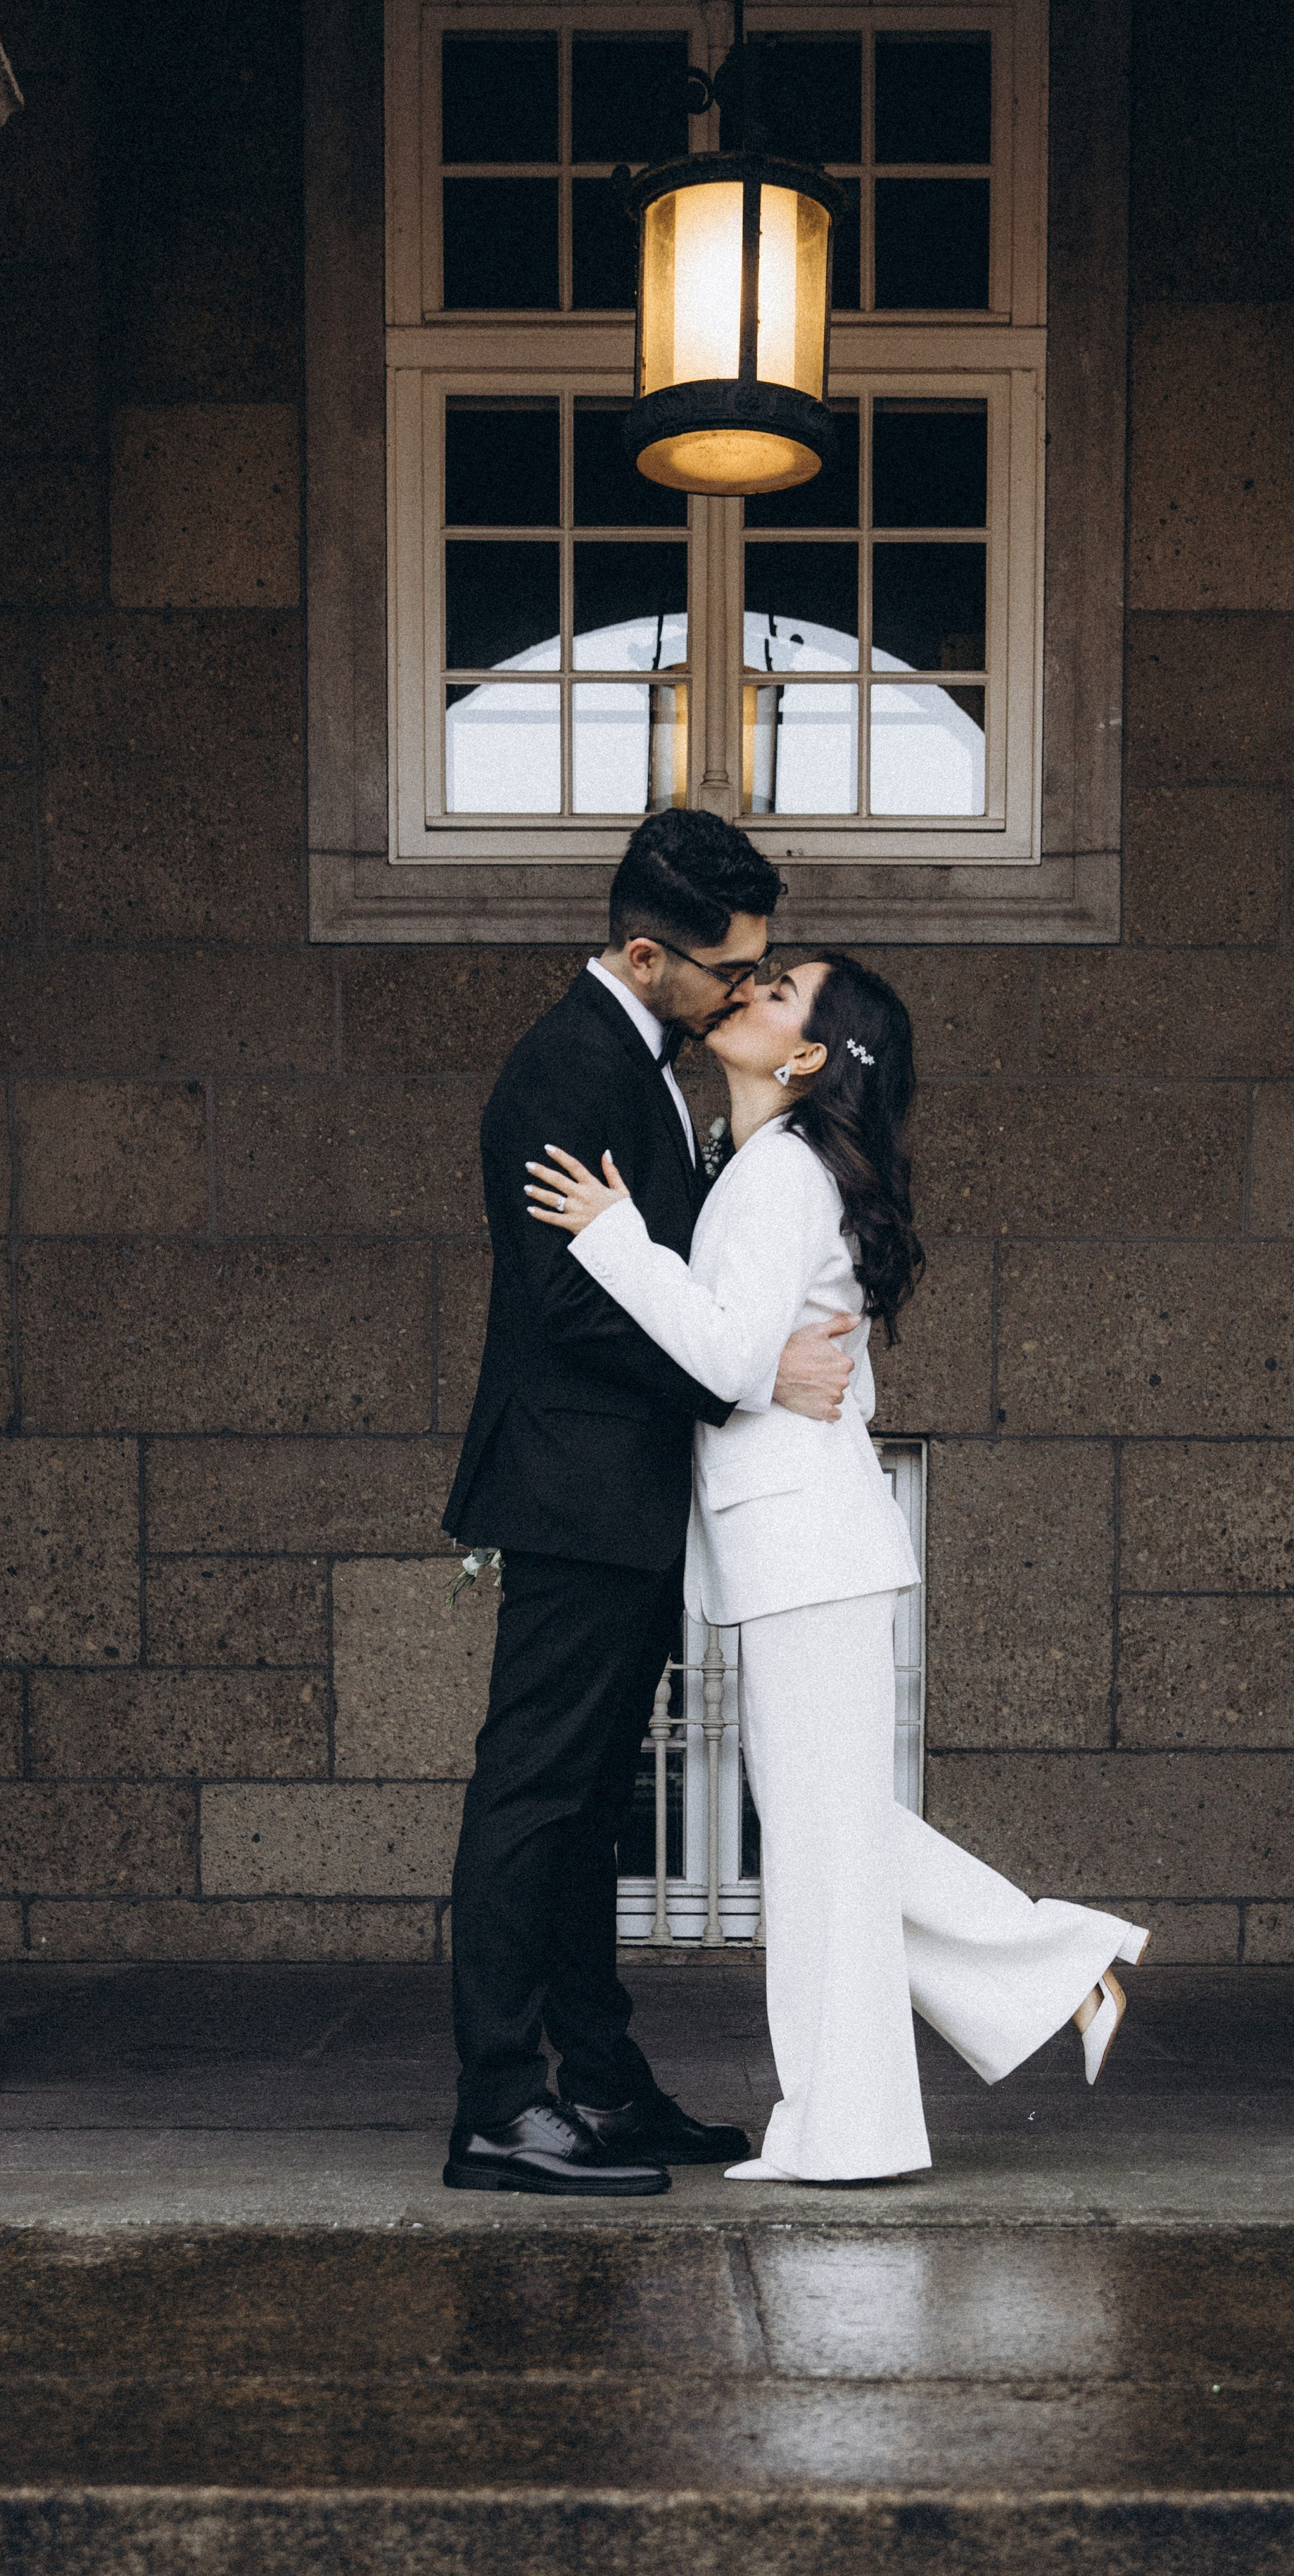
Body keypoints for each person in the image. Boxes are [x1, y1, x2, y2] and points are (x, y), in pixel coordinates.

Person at [527, 951, 1150, 2183]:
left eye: (777, 993)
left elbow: (721, 1354)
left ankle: (860, 2121)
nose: (748, 990)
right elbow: (797, 1364)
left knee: (824, 1850)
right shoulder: (777, 1167)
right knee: (833, 1839)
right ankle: (1024, 2002)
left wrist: (614, 1239)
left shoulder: (779, 1174)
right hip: (805, 1546)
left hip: (805, 1550)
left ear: (808, 1055)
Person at [441, 810, 860, 2198]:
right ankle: (502, 2106)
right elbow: (568, 1303)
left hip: (621, 1492)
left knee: (585, 1809)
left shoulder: (643, 1064)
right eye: (728, 972)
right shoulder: (563, 1069)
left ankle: (604, 2087)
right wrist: (748, 1376)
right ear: (643, 955)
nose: (744, 992)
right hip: (572, 1487)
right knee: (533, 1796)